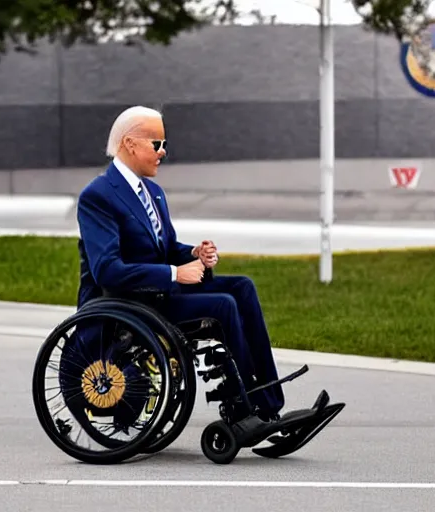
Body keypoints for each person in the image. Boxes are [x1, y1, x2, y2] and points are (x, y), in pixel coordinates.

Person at [76, 106, 285, 421]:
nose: (163, 152)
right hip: (129, 302)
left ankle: (270, 398)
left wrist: (193, 255)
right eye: (157, 144)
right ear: (130, 144)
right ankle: (249, 402)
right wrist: (175, 273)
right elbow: (107, 270)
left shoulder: (153, 193)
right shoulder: (99, 196)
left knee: (242, 287)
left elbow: (166, 248)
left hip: (159, 294)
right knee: (223, 305)